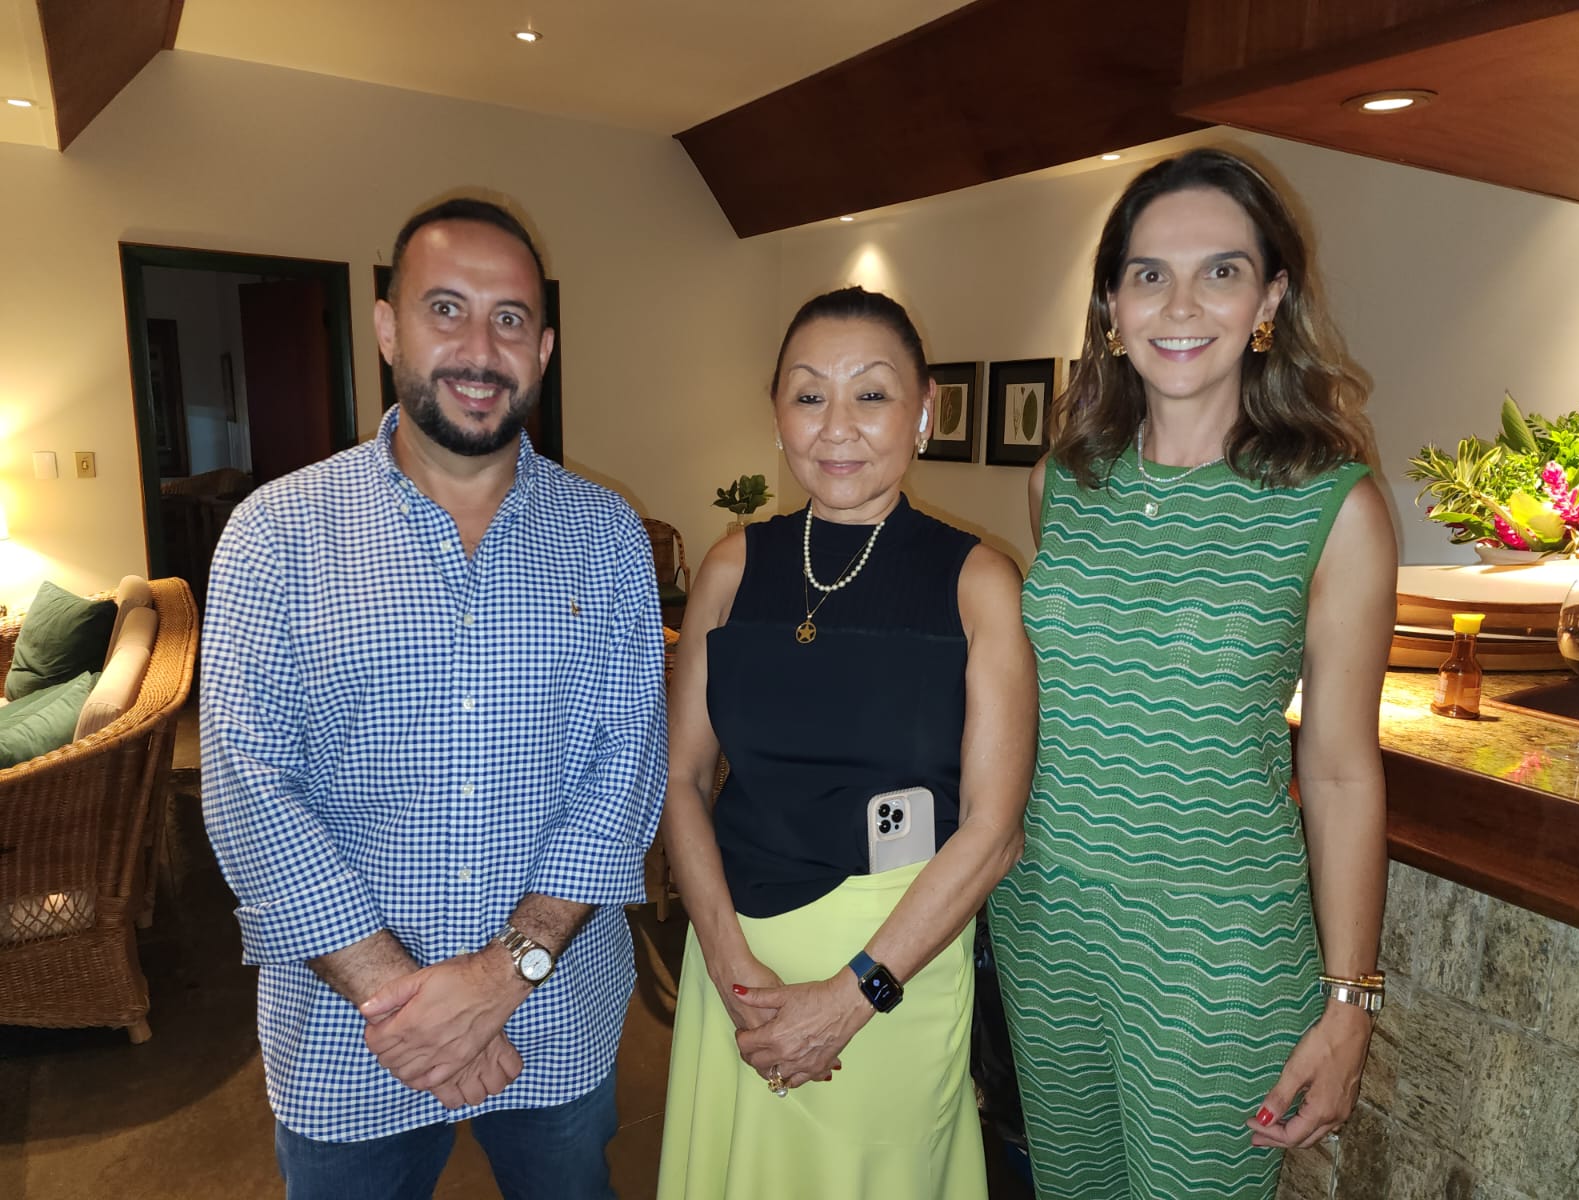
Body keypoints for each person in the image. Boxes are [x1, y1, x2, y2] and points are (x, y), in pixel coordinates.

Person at [201, 197, 667, 1200]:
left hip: (553, 1021)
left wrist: (501, 980)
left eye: (508, 320)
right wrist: (401, 1006)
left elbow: (621, 775)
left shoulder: (607, 536)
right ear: (386, 328)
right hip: (348, 1038)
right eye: (445, 309)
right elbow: (247, 788)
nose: (478, 346)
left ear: (541, 349)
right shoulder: (274, 534)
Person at [989, 148, 1395, 1200]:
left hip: (1217, 956)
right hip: (1046, 933)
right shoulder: (1061, 483)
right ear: (1111, 307)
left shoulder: (1331, 505)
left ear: (1270, 297)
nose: (1180, 303)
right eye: (1147, 274)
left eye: (1220, 271)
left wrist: (1348, 1002)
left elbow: (1343, 771)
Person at [655, 286, 1036, 1198]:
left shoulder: (977, 582)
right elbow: (681, 777)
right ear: (777, 412)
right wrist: (724, 959)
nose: (836, 426)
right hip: (738, 956)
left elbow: (995, 831)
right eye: (807, 392)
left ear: (924, 412)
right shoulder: (733, 565)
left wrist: (853, 994)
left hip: (893, 968)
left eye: (870, 394)